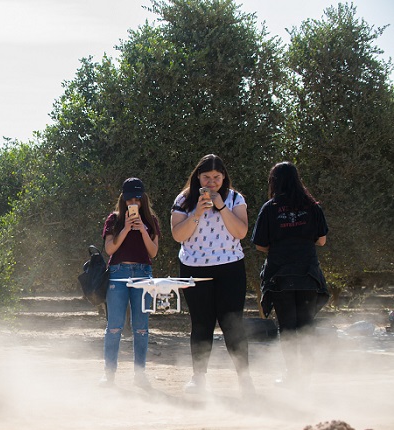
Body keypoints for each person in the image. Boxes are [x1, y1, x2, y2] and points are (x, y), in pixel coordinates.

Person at [170, 154, 254, 395]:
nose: (211, 182)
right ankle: (199, 377)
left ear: (224, 177)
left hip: (230, 267)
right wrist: (197, 211)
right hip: (194, 268)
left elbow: (240, 232)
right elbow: (178, 235)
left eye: (216, 177)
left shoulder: (236, 198)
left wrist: (221, 207)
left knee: (232, 324)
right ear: (198, 176)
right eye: (206, 177)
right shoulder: (184, 199)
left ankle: (244, 378)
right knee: (201, 323)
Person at [251, 161, 329, 386]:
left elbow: (260, 245)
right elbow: (321, 241)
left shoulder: (270, 208)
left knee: (286, 325)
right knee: (305, 324)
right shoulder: (313, 207)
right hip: (308, 274)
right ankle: (307, 374)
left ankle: (292, 374)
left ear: (274, 182)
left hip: (280, 276)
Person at [99, 177, 160, 389]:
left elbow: (153, 251)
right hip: (118, 272)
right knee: (114, 326)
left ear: (143, 198)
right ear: (122, 199)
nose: (133, 202)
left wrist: (142, 229)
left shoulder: (151, 220)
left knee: (141, 327)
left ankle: (140, 374)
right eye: (129, 199)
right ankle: (109, 374)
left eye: (137, 198)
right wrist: (124, 228)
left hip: (143, 272)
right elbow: (109, 249)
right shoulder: (114, 219)